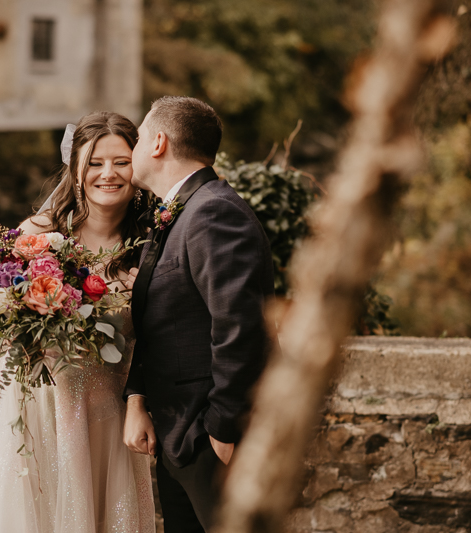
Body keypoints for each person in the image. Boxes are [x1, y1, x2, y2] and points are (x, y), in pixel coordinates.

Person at [0, 111, 156, 533]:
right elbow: (1, 313)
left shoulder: (149, 245)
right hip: (34, 403)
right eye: (94, 163)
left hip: (108, 409)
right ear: (75, 170)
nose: (107, 174)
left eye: (121, 162)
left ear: (138, 165)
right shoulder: (40, 234)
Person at [123, 96, 276, 532]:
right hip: (182, 439)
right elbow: (161, 324)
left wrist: (223, 432)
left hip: (210, 439)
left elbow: (240, 328)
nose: (132, 149)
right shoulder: (185, 209)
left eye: (135, 138)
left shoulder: (213, 212)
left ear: (157, 143)